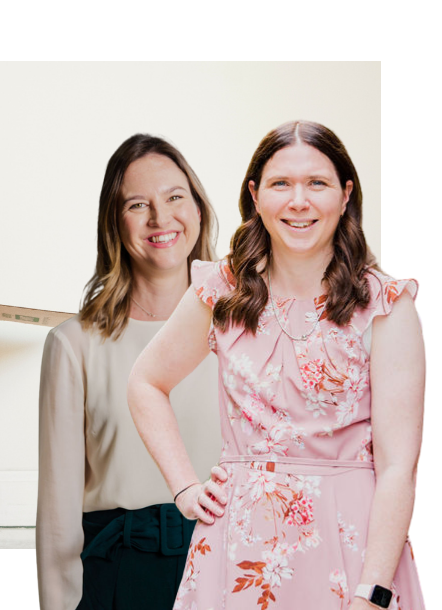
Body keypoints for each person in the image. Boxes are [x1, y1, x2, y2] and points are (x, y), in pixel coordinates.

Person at [127, 120, 425, 609]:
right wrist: (184, 488)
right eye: (281, 183)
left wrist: (372, 592)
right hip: (238, 549)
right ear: (255, 195)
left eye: (317, 183)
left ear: (346, 195)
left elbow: (398, 469)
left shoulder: (385, 306)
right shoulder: (222, 289)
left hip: (352, 554)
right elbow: (146, 381)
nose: (298, 201)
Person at [36, 134, 223, 610]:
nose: (161, 218)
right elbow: (57, 518)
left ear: (198, 209)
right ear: (114, 224)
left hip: (226, 564)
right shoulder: (73, 345)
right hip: (118, 574)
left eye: (175, 197)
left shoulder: (246, 332)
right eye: (138, 205)